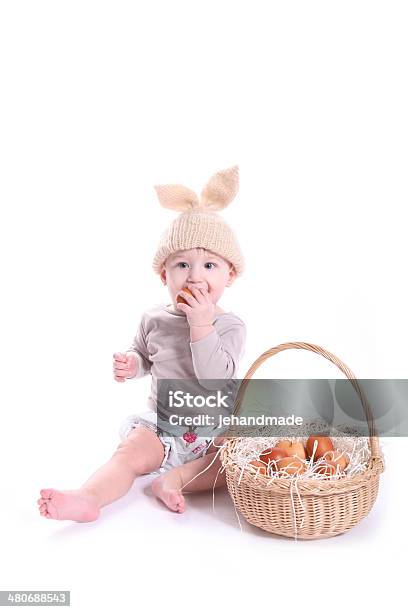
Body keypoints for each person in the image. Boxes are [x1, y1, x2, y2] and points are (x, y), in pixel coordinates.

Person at [37, 165, 246, 521]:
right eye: (182, 265)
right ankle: (90, 497)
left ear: (230, 275)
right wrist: (133, 363)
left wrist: (201, 325)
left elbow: (215, 378)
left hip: (213, 431)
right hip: (163, 425)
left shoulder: (229, 326)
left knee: (234, 464)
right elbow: (145, 354)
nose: (195, 275)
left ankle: (174, 480)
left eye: (210, 265)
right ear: (165, 274)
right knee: (128, 454)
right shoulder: (154, 319)